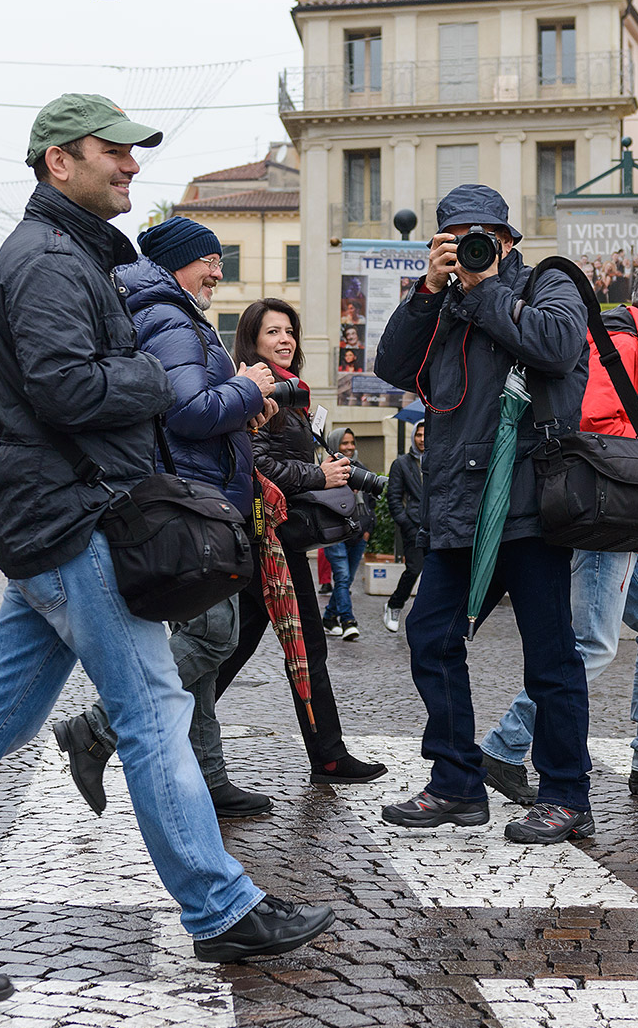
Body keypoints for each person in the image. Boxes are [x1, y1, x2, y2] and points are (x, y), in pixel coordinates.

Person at [0, 94, 335, 966]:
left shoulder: (71, 254)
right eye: (112, 151)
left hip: (58, 515)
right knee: (153, 709)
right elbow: (69, 390)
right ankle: (221, 908)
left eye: (132, 152)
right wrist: (155, 376)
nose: (131, 165)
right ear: (57, 163)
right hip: (74, 516)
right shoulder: (46, 261)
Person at [371, 184, 591, 844]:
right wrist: (431, 293)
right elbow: (390, 366)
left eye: (484, 236)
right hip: (460, 507)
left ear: (509, 239)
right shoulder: (443, 302)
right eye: (457, 237)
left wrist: (489, 288)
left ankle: (566, 797)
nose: (472, 247)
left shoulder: (548, 285)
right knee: (430, 636)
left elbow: (555, 346)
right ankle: (456, 784)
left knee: (549, 657)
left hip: (528, 503)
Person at [52, 214, 278, 821]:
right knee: (212, 636)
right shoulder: (172, 319)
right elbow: (187, 412)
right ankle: (97, 729)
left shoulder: (162, 312)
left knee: (201, 639)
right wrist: (250, 388)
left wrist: (238, 411)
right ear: (179, 262)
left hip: (191, 495)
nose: (218, 271)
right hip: (191, 503)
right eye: (209, 260)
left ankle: (208, 775)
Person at [477, 253, 638, 805]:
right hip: (605, 518)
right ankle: (503, 747)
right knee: (590, 644)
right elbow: (588, 423)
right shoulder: (627, 345)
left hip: (629, 516)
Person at [215, 297, 385, 784]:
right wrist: (319, 475)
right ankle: (329, 756)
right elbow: (257, 465)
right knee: (303, 645)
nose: (284, 339)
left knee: (231, 648)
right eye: (272, 332)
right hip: (268, 541)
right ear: (251, 340)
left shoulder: (291, 395)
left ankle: (174, 729)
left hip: (273, 539)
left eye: (289, 330)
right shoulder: (257, 393)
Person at [320, 429, 368, 641]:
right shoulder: (325, 471)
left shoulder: (361, 470)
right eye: (344, 443)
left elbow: (372, 503)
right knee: (342, 576)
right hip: (335, 533)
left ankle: (329, 617)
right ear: (333, 445)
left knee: (345, 580)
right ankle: (348, 620)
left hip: (358, 534)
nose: (349, 447)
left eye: (352, 442)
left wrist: (367, 530)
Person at [381, 419, 425, 634]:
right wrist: (405, 522)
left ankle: (426, 617)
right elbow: (394, 497)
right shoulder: (402, 464)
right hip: (414, 526)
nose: (423, 439)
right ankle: (394, 605)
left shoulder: (438, 460)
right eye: (419, 435)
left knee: (436, 573)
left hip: (437, 526)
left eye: (427, 434)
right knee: (414, 569)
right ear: (413, 437)